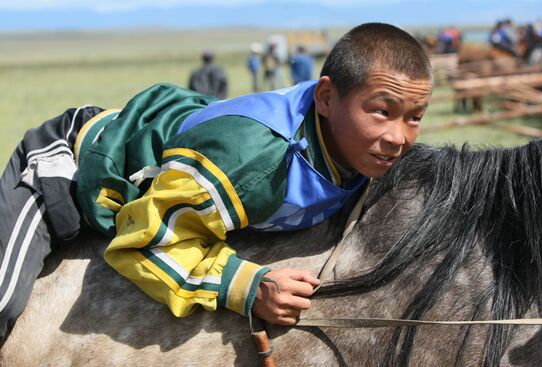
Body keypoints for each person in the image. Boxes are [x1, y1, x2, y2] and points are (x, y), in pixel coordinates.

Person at [0, 22, 432, 338]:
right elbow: (143, 238)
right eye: (382, 111)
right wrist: (245, 287)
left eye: (415, 117)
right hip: (69, 164)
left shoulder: (362, 149)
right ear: (325, 97)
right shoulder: (255, 158)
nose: (399, 137)